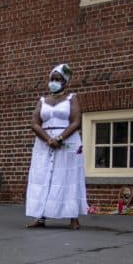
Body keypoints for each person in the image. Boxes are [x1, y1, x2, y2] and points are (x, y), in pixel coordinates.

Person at [25, 64, 88, 230]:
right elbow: (35, 123)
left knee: (68, 177)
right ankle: (40, 216)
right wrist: (48, 139)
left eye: (58, 79)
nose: (53, 82)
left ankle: (73, 217)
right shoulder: (42, 101)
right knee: (43, 177)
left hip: (67, 142)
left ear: (65, 82)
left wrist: (59, 138)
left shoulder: (71, 99)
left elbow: (76, 122)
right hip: (44, 143)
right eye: (52, 79)